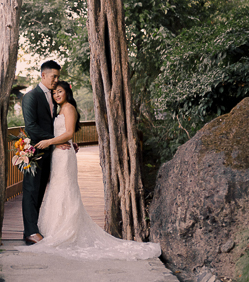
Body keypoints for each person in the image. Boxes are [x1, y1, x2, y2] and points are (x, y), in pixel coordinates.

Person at [18, 80, 161, 260]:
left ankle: (67, 229)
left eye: (60, 91)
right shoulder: (58, 110)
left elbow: (69, 133)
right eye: (55, 93)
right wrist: (63, 142)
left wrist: (50, 142)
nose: (57, 95)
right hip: (58, 154)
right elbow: (63, 134)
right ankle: (53, 228)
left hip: (64, 155)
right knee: (56, 188)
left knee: (65, 188)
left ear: (67, 93)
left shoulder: (69, 108)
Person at [20, 60, 70, 245]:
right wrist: (55, 141)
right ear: (43, 75)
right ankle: (30, 232)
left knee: (41, 190)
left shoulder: (53, 97)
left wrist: (65, 140)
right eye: (53, 76)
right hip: (35, 151)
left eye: (58, 77)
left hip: (49, 152)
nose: (56, 80)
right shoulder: (31, 97)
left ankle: (36, 227)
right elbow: (31, 127)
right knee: (31, 190)